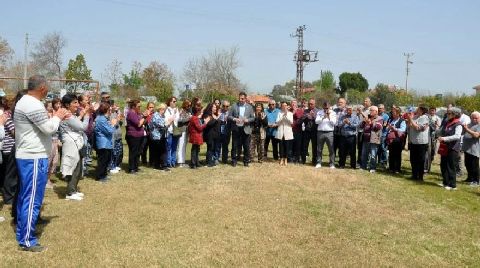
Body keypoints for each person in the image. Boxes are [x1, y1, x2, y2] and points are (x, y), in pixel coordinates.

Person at [14, 75, 68, 252]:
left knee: (26, 196)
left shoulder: (26, 101)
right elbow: (49, 128)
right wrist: (58, 116)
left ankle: (23, 231)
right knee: (32, 199)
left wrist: (56, 118)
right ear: (43, 88)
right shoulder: (32, 104)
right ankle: (27, 240)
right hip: (33, 157)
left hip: (29, 156)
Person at [60, 94, 90, 200]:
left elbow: (76, 123)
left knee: (78, 167)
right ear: (67, 105)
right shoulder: (67, 114)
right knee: (72, 166)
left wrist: (81, 115)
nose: (77, 105)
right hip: (71, 144)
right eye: (75, 103)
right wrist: (86, 116)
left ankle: (73, 189)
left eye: (77, 102)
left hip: (76, 143)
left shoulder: (70, 114)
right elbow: (82, 127)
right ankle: (70, 192)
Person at [437, 107, 463, 190]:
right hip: (445, 147)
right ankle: (445, 182)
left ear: (454, 114)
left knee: (450, 166)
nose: (447, 115)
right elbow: (441, 131)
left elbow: (457, 136)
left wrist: (444, 138)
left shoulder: (458, 124)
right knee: (443, 165)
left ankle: (452, 185)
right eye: (447, 113)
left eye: (449, 113)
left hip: (453, 148)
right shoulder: (447, 122)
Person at [229, 92, 255, 167]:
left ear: (245, 99)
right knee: (234, 146)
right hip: (236, 129)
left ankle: (246, 161)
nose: (241, 100)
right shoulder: (234, 106)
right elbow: (229, 116)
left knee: (246, 146)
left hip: (246, 129)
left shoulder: (250, 107)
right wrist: (234, 119)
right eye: (240, 98)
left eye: (242, 98)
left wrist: (248, 120)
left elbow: (253, 118)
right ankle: (234, 161)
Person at [1, 96, 18, 205]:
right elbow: (14, 133)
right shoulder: (6, 117)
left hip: (5, 149)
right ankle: (8, 197)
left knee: (5, 173)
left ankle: (6, 194)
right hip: (9, 148)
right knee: (10, 174)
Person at [405, 105, 429, 181]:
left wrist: (410, 119)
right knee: (413, 159)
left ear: (422, 110)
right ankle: (414, 175)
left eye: (418, 109)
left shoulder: (425, 118)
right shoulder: (415, 117)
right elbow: (409, 126)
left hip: (421, 143)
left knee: (420, 160)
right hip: (413, 142)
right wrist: (409, 119)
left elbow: (418, 128)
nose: (416, 110)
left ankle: (420, 176)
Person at [94, 102, 117, 182]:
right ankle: (99, 176)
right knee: (102, 161)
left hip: (107, 143)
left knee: (106, 160)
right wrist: (113, 124)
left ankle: (103, 175)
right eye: (109, 109)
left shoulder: (103, 118)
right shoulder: (101, 119)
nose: (110, 111)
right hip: (103, 143)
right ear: (106, 110)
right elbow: (109, 131)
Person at [126, 100, 148, 174]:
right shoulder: (131, 113)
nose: (140, 107)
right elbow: (138, 124)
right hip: (133, 136)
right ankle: (131, 168)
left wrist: (144, 117)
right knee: (133, 152)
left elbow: (143, 122)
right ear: (133, 106)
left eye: (140, 106)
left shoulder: (137, 113)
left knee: (138, 152)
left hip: (139, 135)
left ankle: (136, 167)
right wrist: (144, 117)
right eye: (138, 106)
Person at [359, 106, 383, 172]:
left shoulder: (380, 118)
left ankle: (372, 168)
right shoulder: (367, 117)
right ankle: (363, 166)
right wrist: (364, 122)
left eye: (372, 110)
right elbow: (361, 126)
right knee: (364, 154)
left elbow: (378, 127)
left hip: (374, 139)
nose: (370, 112)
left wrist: (371, 123)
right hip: (365, 139)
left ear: (376, 112)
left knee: (373, 155)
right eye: (370, 110)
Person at [315, 102, 337, 169]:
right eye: (325, 108)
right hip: (320, 132)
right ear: (323, 107)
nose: (326, 109)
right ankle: (319, 163)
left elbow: (334, 123)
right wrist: (322, 117)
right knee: (319, 149)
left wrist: (329, 117)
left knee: (331, 149)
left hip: (329, 132)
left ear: (329, 106)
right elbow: (316, 121)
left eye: (327, 108)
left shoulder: (333, 113)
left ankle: (332, 164)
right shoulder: (319, 112)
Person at [386, 106, 406, 173]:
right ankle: (391, 168)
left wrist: (395, 129)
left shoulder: (402, 121)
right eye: (392, 112)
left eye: (394, 112)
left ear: (398, 113)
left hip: (398, 140)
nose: (392, 114)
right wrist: (388, 128)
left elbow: (403, 130)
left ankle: (397, 169)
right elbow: (387, 129)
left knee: (397, 154)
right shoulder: (391, 120)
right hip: (391, 140)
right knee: (391, 154)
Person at [149, 104, 169, 171]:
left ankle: (159, 165)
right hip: (156, 136)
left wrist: (167, 123)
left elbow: (164, 125)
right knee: (161, 151)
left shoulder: (162, 115)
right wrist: (168, 122)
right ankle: (162, 166)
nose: (164, 111)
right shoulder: (156, 115)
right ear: (161, 109)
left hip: (162, 135)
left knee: (161, 151)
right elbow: (161, 124)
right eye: (164, 109)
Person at [462, 111, 480, 186]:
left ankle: (476, 180)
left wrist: (467, 129)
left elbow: (476, 135)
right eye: (473, 118)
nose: (474, 119)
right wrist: (463, 128)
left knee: (474, 165)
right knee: (467, 164)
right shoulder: (469, 124)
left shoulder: (479, 126)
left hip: (474, 149)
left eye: (476, 118)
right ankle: (469, 178)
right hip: (467, 148)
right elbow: (463, 132)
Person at [188, 103, 209, 169]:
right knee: (194, 150)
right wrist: (205, 123)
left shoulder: (196, 118)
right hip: (195, 136)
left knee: (197, 149)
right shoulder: (194, 118)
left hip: (197, 136)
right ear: (197, 112)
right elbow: (199, 128)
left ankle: (196, 162)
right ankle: (193, 163)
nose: (201, 113)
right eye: (200, 111)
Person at [301, 99, 318, 165]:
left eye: (312, 104)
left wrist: (313, 116)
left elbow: (319, 121)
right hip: (307, 130)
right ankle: (303, 160)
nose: (310, 105)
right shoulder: (305, 111)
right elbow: (302, 119)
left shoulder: (318, 111)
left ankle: (314, 161)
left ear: (314, 104)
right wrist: (307, 116)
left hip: (314, 131)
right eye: (309, 104)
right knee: (305, 146)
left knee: (315, 146)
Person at [203, 103, 220, 167]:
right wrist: (215, 119)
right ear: (211, 108)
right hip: (209, 135)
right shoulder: (207, 115)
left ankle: (211, 161)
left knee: (213, 148)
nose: (215, 108)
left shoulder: (214, 115)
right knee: (210, 148)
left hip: (215, 135)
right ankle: (209, 162)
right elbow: (208, 124)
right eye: (214, 107)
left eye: (216, 107)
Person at [109, 102, 124, 174]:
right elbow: (113, 124)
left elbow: (121, 123)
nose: (115, 107)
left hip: (118, 135)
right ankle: (111, 166)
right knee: (113, 152)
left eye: (115, 105)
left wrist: (119, 115)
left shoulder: (116, 113)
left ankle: (115, 165)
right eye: (113, 105)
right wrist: (118, 119)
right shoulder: (109, 114)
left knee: (118, 152)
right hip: (113, 136)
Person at [165, 97, 180, 168]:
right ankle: (168, 162)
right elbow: (167, 120)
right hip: (169, 130)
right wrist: (173, 116)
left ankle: (173, 161)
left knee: (174, 147)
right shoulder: (167, 110)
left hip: (176, 130)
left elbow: (178, 119)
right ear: (170, 102)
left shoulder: (177, 110)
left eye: (175, 101)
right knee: (169, 147)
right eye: (173, 101)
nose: (175, 103)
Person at [425, 107, 441, 173]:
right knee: (427, 152)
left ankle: (429, 165)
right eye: (430, 110)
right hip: (426, 136)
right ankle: (426, 168)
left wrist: (436, 125)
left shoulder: (437, 118)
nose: (431, 112)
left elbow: (438, 128)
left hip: (433, 137)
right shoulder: (426, 117)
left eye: (433, 111)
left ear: (435, 111)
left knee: (432, 152)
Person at [357, 97, 372, 167]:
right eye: (364, 101)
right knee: (359, 147)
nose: (365, 102)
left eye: (366, 101)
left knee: (366, 148)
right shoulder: (363, 109)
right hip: (360, 130)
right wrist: (358, 114)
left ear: (370, 102)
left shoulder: (371, 110)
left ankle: (366, 162)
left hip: (366, 131)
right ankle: (359, 161)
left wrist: (361, 113)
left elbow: (367, 119)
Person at [177, 100, 192, 168]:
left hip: (187, 130)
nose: (189, 107)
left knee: (184, 145)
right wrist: (189, 118)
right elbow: (179, 120)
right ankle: (180, 162)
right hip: (182, 130)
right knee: (181, 145)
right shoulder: (181, 110)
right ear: (184, 104)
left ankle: (183, 161)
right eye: (188, 105)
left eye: (190, 105)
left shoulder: (188, 111)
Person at [291, 99, 304, 164]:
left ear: (296, 104)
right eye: (292, 103)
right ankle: (292, 158)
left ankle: (297, 158)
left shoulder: (300, 111)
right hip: (290, 131)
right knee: (292, 145)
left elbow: (300, 119)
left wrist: (295, 112)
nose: (293, 104)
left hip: (298, 131)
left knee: (298, 145)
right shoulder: (289, 111)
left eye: (294, 103)